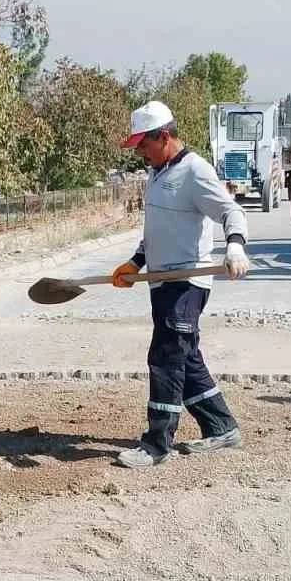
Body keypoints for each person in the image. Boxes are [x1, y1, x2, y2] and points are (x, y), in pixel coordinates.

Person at [110, 100, 252, 468]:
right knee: (185, 357)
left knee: (166, 356)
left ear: (166, 136)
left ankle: (157, 444)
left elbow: (230, 210)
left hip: (186, 281)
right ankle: (222, 427)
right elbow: (156, 233)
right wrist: (134, 263)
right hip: (161, 282)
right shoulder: (158, 175)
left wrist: (235, 247)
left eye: (144, 143)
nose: (140, 151)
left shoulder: (194, 170)